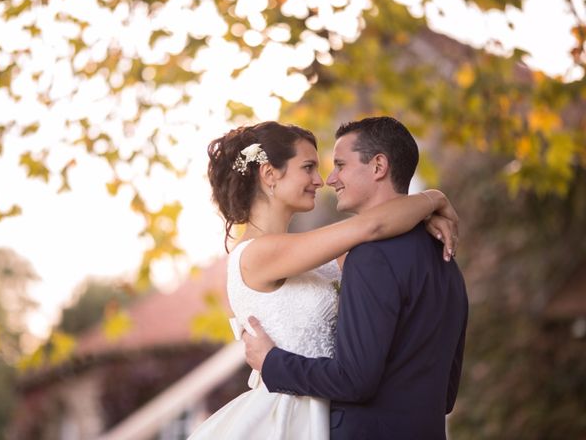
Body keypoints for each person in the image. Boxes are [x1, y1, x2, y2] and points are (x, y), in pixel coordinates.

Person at [188, 120, 459, 439]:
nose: (321, 180)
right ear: (270, 174)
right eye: (308, 167)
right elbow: (371, 228)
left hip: (330, 411)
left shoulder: (315, 256)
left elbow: (379, 240)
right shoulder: (257, 254)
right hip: (287, 418)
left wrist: (421, 216)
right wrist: (433, 199)